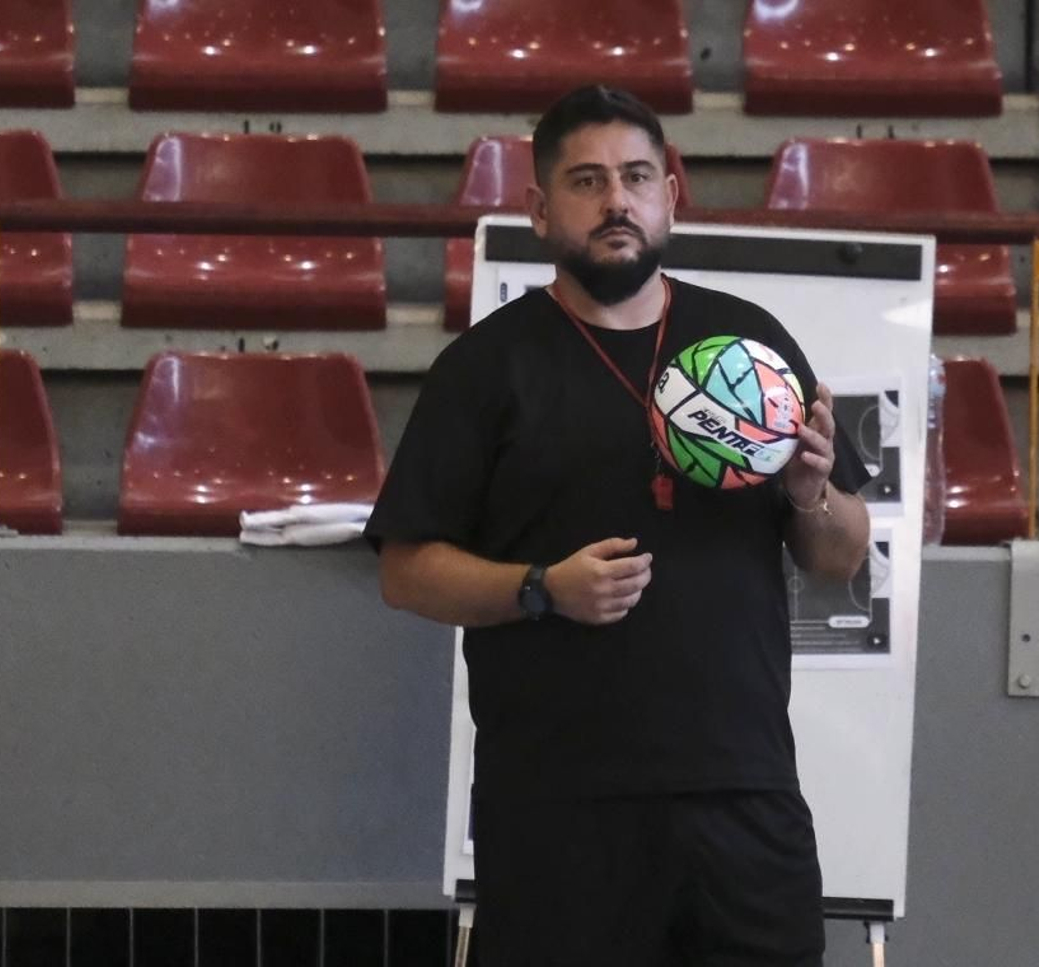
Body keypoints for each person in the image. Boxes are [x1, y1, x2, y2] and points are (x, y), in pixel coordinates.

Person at [366, 85, 872, 967]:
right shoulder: (488, 366)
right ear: (538, 209)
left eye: (638, 176)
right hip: (559, 808)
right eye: (587, 180)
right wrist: (540, 589)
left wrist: (809, 492)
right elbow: (406, 569)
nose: (617, 201)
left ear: (671, 194)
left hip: (743, 792)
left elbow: (840, 554)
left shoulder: (748, 346)